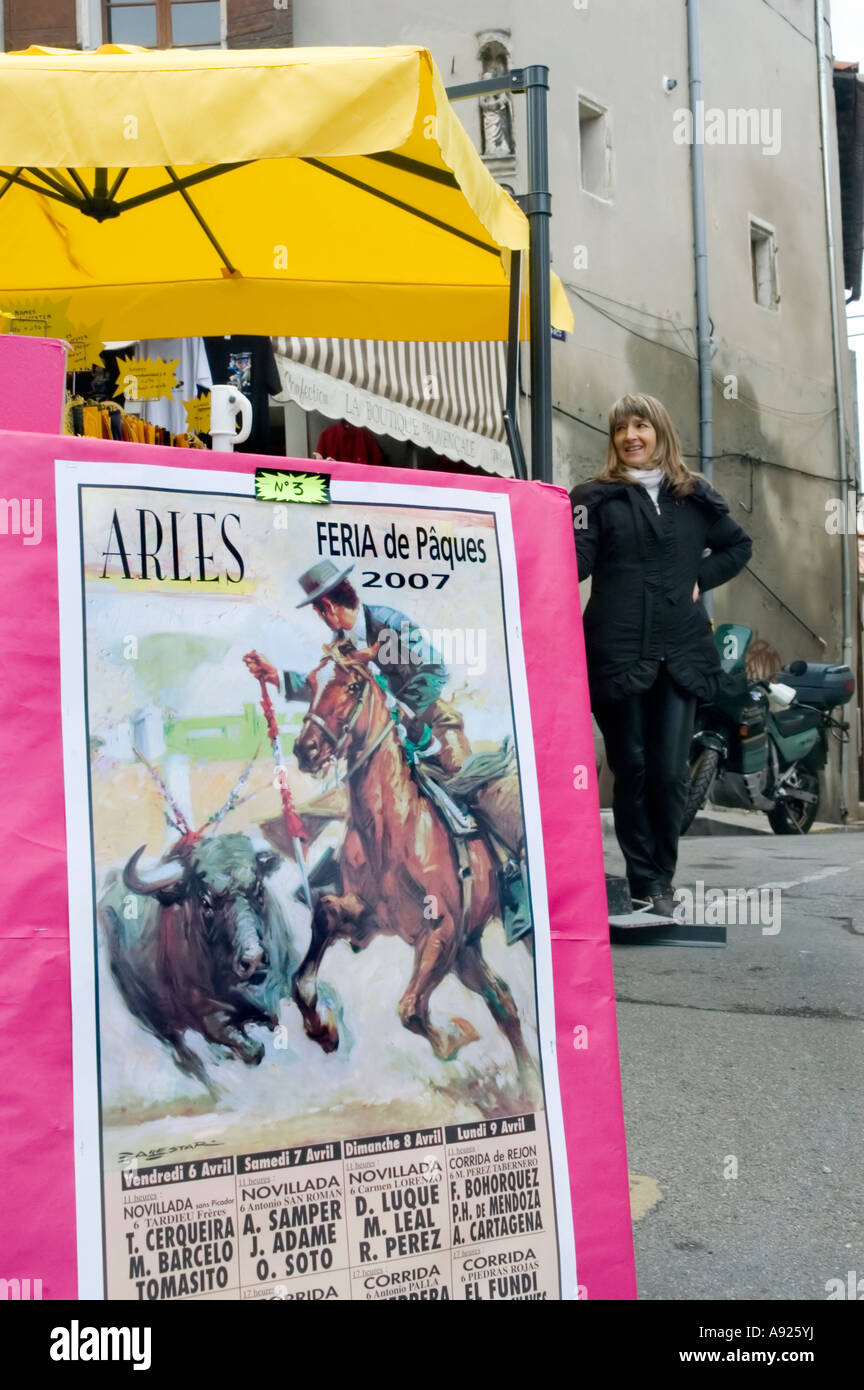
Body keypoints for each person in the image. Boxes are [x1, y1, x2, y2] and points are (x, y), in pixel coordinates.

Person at [570, 393, 752, 917]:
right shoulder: (594, 497)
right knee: (632, 765)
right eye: (621, 428)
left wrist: (700, 576)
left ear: (660, 432)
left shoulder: (695, 497)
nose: (631, 436)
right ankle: (644, 883)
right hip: (617, 649)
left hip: (681, 651)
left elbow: (738, 547)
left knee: (670, 772)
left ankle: (661, 879)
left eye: (641, 426)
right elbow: (575, 562)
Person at [244, 560, 472, 775]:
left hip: (433, 723)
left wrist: (402, 713)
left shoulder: (389, 623)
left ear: (328, 607)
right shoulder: (340, 645)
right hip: (381, 740)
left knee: (463, 782)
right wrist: (276, 677)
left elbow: (435, 670)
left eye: (317, 610)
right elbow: (330, 689)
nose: (319, 616)